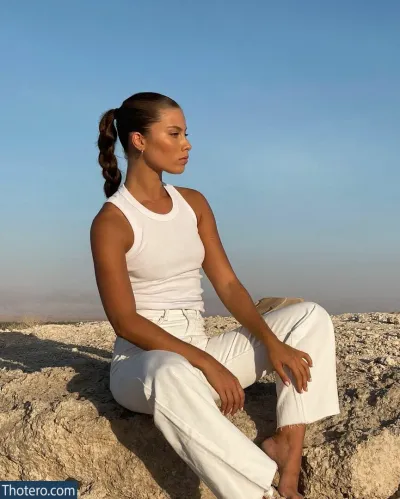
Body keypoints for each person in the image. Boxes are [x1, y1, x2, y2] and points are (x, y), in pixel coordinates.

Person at [90, 92, 341, 499]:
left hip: (199, 342)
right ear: (138, 140)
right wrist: (205, 363)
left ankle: (288, 460)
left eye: (186, 133)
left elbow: (227, 284)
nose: (187, 143)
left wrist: (271, 342)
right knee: (171, 372)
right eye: (174, 133)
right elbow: (125, 321)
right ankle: (257, 491)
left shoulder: (193, 203)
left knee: (309, 317)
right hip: (144, 363)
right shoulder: (112, 221)